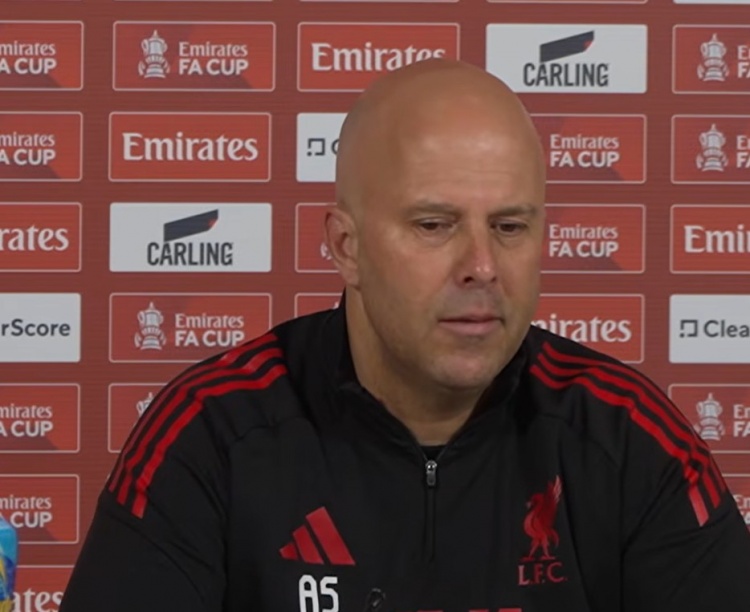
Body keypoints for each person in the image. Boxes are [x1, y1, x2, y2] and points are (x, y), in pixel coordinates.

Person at [60, 59, 750, 612]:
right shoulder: (212, 433)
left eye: (510, 227)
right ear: (347, 247)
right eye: (434, 226)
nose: (482, 266)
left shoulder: (625, 436)